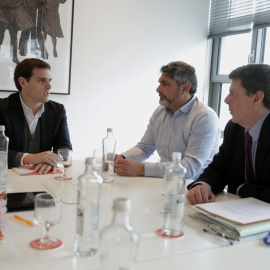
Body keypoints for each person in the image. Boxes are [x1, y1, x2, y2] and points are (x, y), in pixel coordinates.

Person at [115, 61, 220, 179]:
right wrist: (123, 159)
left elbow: (189, 168)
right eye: (160, 83)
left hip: (193, 188)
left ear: (185, 88)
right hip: (165, 183)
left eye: (165, 84)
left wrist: (142, 169)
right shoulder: (160, 111)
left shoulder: (205, 117)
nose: (158, 89)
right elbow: (145, 148)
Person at [186, 64, 270, 204]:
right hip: (237, 215)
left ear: (256, 98)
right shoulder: (234, 128)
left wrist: (243, 189)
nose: (226, 99)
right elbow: (219, 169)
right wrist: (203, 185)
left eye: (233, 93)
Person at [0, 58, 72, 174]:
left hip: (42, 179)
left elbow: (64, 147)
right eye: (41, 80)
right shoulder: (2, 108)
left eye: (49, 80)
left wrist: (50, 161)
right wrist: (29, 158)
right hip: (7, 180)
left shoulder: (58, 110)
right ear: (23, 82)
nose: (49, 86)